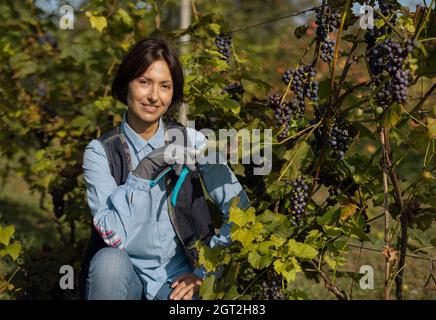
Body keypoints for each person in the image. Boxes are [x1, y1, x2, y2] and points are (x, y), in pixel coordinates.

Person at [80, 38, 250, 300]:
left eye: (165, 86)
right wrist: (144, 171)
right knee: (108, 262)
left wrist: (204, 273)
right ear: (127, 83)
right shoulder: (100, 152)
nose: (153, 96)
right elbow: (111, 234)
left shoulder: (193, 142)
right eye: (144, 82)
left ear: (173, 94)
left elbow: (240, 211)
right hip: (126, 277)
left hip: (181, 280)